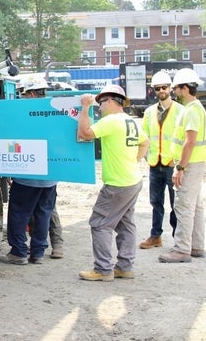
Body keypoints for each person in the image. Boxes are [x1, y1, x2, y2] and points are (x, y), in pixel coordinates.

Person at [76, 85, 148, 281]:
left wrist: (85, 108)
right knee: (126, 224)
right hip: (132, 180)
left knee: (99, 224)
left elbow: (84, 133)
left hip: (117, 184)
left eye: (100, 103)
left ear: (110, 101)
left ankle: (103, 269)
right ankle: (125, 267)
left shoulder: (112, 121)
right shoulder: (129, 121)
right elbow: (145, 142)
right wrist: (134, 161)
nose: (99, 107)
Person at [0, 77, 58, 265]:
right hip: (50, 178)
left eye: (23, 94)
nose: (22, 98)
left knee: (19, 213)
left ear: (31, 94)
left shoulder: (23, 114)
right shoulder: (57, 113)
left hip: (27, 177)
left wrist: (7, 168)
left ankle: (18, 252)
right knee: (43, 214)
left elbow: (13, 141)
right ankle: (38, 253)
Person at [159, 68, 206, 263]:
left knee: (183, 206)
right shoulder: (195, 109)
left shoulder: (191, 111)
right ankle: (196, 246)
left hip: (189, 164)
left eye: (177, 88)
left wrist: (180, 167)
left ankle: (182, 250)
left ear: (186, 88)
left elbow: (190, 141)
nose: (174, 92)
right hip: (196, 163)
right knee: (195, 206)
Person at [139, 70, 183, 249]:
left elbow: (183, 138)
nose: (161, 91)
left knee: (175, 203)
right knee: (155, 202)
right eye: (158, 88)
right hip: (154, 164)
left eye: (164, 87)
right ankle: (155, 235)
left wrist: (179, 162)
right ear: (154, 90)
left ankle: (177, 238)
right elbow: (144, 136)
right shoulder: (149, 112)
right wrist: (145, 156)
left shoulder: (180, 111)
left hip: (171, 164)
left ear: (170, 88)